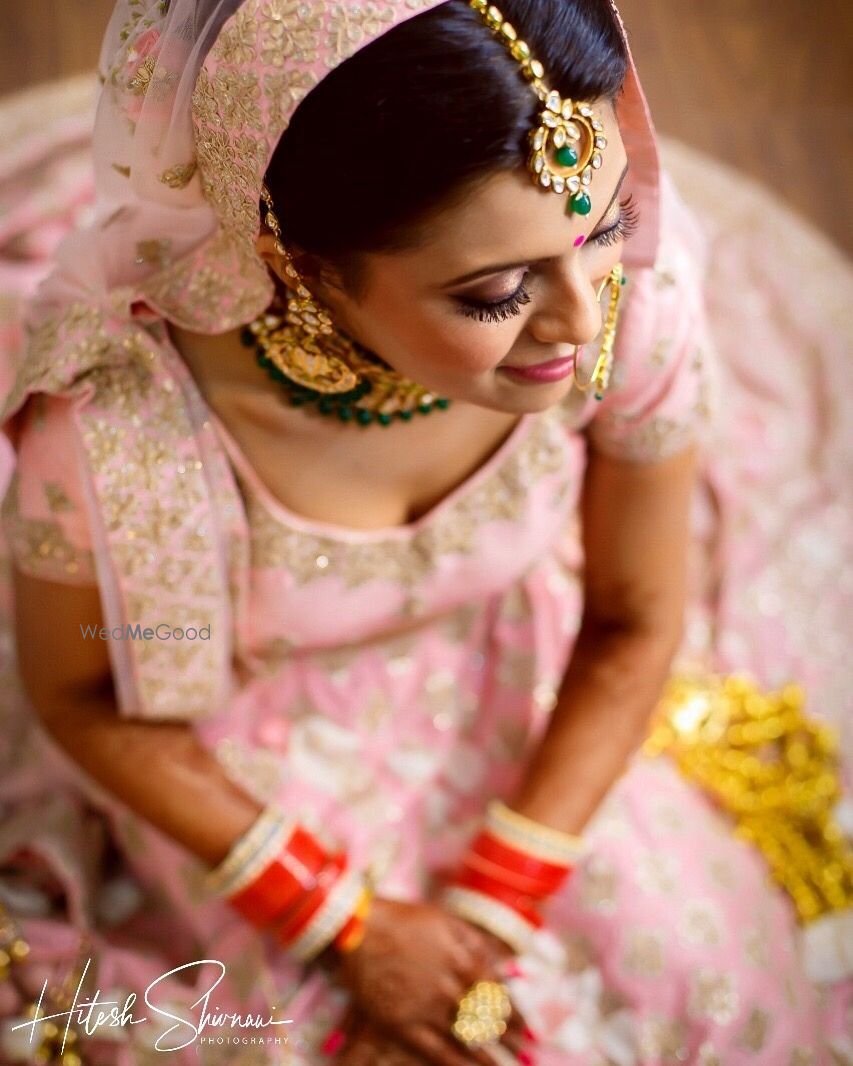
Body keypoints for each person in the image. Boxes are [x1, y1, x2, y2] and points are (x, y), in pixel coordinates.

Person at [0, 0, 850, 1063]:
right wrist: (344, 922)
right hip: (231, 762)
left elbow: (635, 617)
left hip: (538, 701)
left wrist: (495, 902)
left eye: (600, 227)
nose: (581, 320)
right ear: (300, 264)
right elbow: (81, 694)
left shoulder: (632, 308)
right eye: (496, 291)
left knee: (695, 985)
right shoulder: (124, 429)